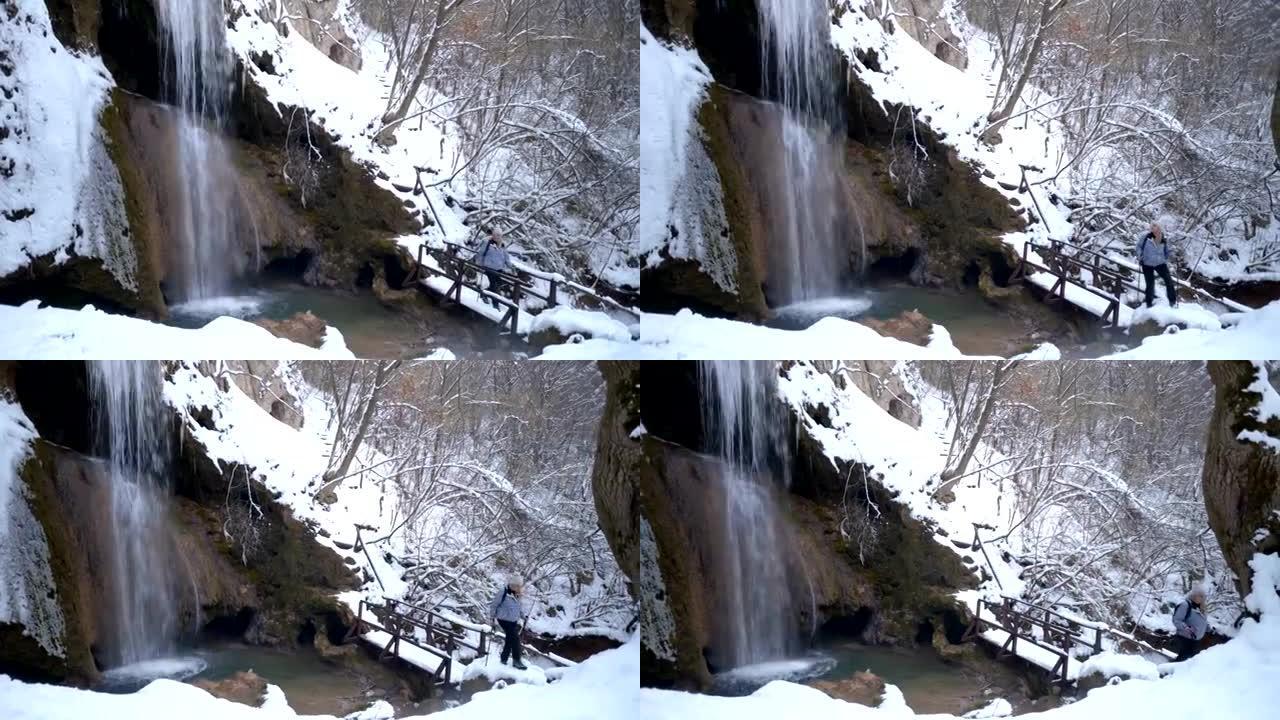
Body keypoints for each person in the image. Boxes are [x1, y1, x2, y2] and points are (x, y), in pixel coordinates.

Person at [1137, 223, 1178, 309]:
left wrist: (1168, 257)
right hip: (1147, 264)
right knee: (1150, 284)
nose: (1154, 230)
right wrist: (1140, 256)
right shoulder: (1145, 237)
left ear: (1160, 229)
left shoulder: (1163, 239)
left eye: (1156, 228)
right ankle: (1149, 303)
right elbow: (1138, 247)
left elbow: (1167, 251)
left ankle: (1173, 302)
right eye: (1152, 228)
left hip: (1160, 263)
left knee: (1169, 281)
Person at [489, 577, 527, 670]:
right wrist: (492, 617)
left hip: (513, 620)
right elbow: (494, 604)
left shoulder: (518, 594)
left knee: (510, 639)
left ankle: (504, 658)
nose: (518, 588)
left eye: (519, 586)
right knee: (515, 638)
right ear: (512, 585)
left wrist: (523, 616)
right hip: (503, 619)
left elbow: (519, 608)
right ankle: (516, 660)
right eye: (517, 586)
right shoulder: (503, 592)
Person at [474, 229, 511, 304]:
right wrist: (480, 263)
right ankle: (495, 303)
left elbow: (506, 256)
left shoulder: (502, 245)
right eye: (495, 235)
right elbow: (481, 253)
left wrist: (510, 265)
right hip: (488, 267)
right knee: (494, 285)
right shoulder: (487, 243)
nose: (497, 237)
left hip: (499, 268)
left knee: (498, 283)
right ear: (493, 235)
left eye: (499, 235)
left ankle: (485, 293)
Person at [1172, 587, 1208, 661]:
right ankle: (1170, 671)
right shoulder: (1185, 605)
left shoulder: (1201, 608)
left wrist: (1209, 629)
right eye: (1200, 596)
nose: (1202, 598)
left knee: (1189, 663)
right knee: (1182, 661)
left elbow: (1203, 622)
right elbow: (1176, 620)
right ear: (1194, 595)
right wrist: (1186, 628)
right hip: (1184, 639)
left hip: (1195, 641)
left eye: (1203, 596)